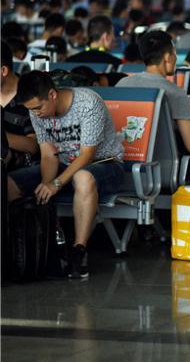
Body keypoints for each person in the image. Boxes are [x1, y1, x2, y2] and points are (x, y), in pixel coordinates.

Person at [7, 71, 124, 279]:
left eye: (38, 108)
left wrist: (56, 184)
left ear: (52, 95)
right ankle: (30, 248)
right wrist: (46, 186)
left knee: (82, 177)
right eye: (31, 110)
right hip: (63, 164)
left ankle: (79, 252)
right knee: (9, 183)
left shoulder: (87, 103)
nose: (35, 114)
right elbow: (48, 155)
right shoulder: (37, 113)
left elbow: (87, 155)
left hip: (105, 164)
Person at [117, 30, 190, 179]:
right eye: (174, 53)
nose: (176, 58)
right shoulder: (175, 92)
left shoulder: (122, 84)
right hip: (163, 166)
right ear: (167, 57)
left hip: (125, 161)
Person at [1, 40, 39, 171]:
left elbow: (33, 145)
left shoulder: (30, 96)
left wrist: (2, 138)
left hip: (22, 169)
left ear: (3, 71)